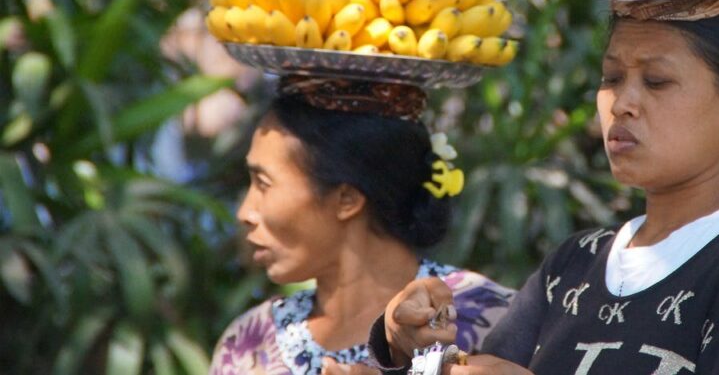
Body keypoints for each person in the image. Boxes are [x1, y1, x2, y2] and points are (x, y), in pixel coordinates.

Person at [372, 0, 719, 374]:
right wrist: (410, 348)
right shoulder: (575, 263)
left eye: (656, 81)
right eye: (612, 77)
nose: (621, 103)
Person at [210, 77, 514, 375]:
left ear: (347, 199)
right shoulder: (248, 346)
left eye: (263, 184)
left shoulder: (490, 318)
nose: (245, 212)